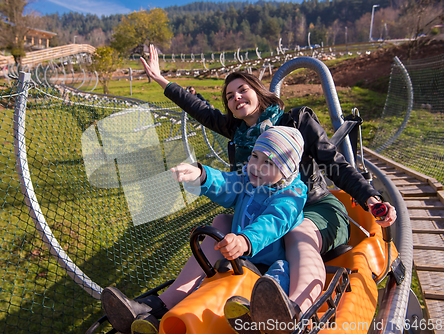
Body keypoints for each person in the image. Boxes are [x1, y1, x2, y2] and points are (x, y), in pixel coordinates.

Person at [135, 44, 397, 334]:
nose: (236, 97)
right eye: (229, 96)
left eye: (242, 89)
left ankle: (296, 309)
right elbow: (202, 113)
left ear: (258, 91)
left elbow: (334, 162)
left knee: (298, 231)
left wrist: (370, 197)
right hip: (263, 207)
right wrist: (162, 81)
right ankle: (165, 303)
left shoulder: (295, 122)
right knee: (221, 224)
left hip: (310, 206)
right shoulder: (239, 132)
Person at [102, 126, 308, 334]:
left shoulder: (292, 193)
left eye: (269, 163)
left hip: (265, 263)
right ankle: (159, 309)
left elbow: (275, 220)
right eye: (255, 156)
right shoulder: (248, 180)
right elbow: (227, 184)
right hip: (237, 260)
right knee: (211, 270)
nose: (256, 166)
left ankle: (261, 316)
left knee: (281, 271)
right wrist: (202, 176)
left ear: (286, 170)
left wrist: (246, 240)